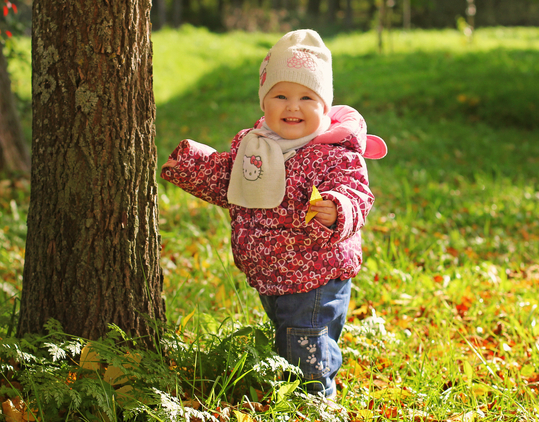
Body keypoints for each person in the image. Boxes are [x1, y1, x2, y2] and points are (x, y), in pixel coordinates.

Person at [161, 29, 387, 398]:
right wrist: (191, 165)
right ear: (264, 101)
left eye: (306, 97)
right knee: (288, 339)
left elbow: (356, 193)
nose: (292, 107)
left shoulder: (335, 154)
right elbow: (231, 181)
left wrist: (338, 208)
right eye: (280, 96)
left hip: (316, 273)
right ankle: (295, 391)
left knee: (306, 345)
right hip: (272, 273)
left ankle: (315, 404)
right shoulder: (257, 145)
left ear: (324, 105)